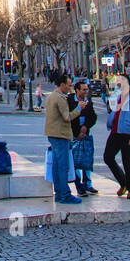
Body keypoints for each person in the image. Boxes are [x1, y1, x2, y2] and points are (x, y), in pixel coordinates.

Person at [43, 72, 85, 205]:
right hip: (60, 135)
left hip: (53, 134)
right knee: (62, 166)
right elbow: (67, 117)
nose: (70, 87)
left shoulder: (53, 96)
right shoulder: (59, 98)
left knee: (56, 165)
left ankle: (59, 193)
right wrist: (79, 108)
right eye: (68, 85)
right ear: (62, 85)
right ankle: (64, 194)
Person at [102, 74, 130, 199]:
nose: (117, 84)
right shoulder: (120, 95)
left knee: (127, 161)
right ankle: (123, 182)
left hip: (127, 133)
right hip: (115, 131)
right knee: (108, 157)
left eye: (119, 81)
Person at [68, 79, 99, 196]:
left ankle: (87, 184)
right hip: (74, 134)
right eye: (84, 89)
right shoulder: (70, 100)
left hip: (85, 133)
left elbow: (93, 117)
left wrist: (86, 127)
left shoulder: (88, 101)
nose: (86, 91)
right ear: (77, 90)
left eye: (87, 89)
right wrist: (77, 132)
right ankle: (79, 186)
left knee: (86, 160)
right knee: (75, 161)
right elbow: (68, 118)